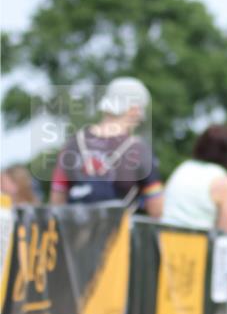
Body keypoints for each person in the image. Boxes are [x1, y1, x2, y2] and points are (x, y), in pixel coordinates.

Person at [49, 77, 163, 217]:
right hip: (117, 236)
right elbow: (156, 209)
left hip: (74, 233)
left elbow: (57, 200)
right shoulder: (140, 149)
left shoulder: (73, 143)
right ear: (134, 110)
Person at [162, 124, 227, 233]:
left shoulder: (183, 168)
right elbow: (224, 232)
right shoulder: (225, 181)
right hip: (195, 245)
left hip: (164, 239)